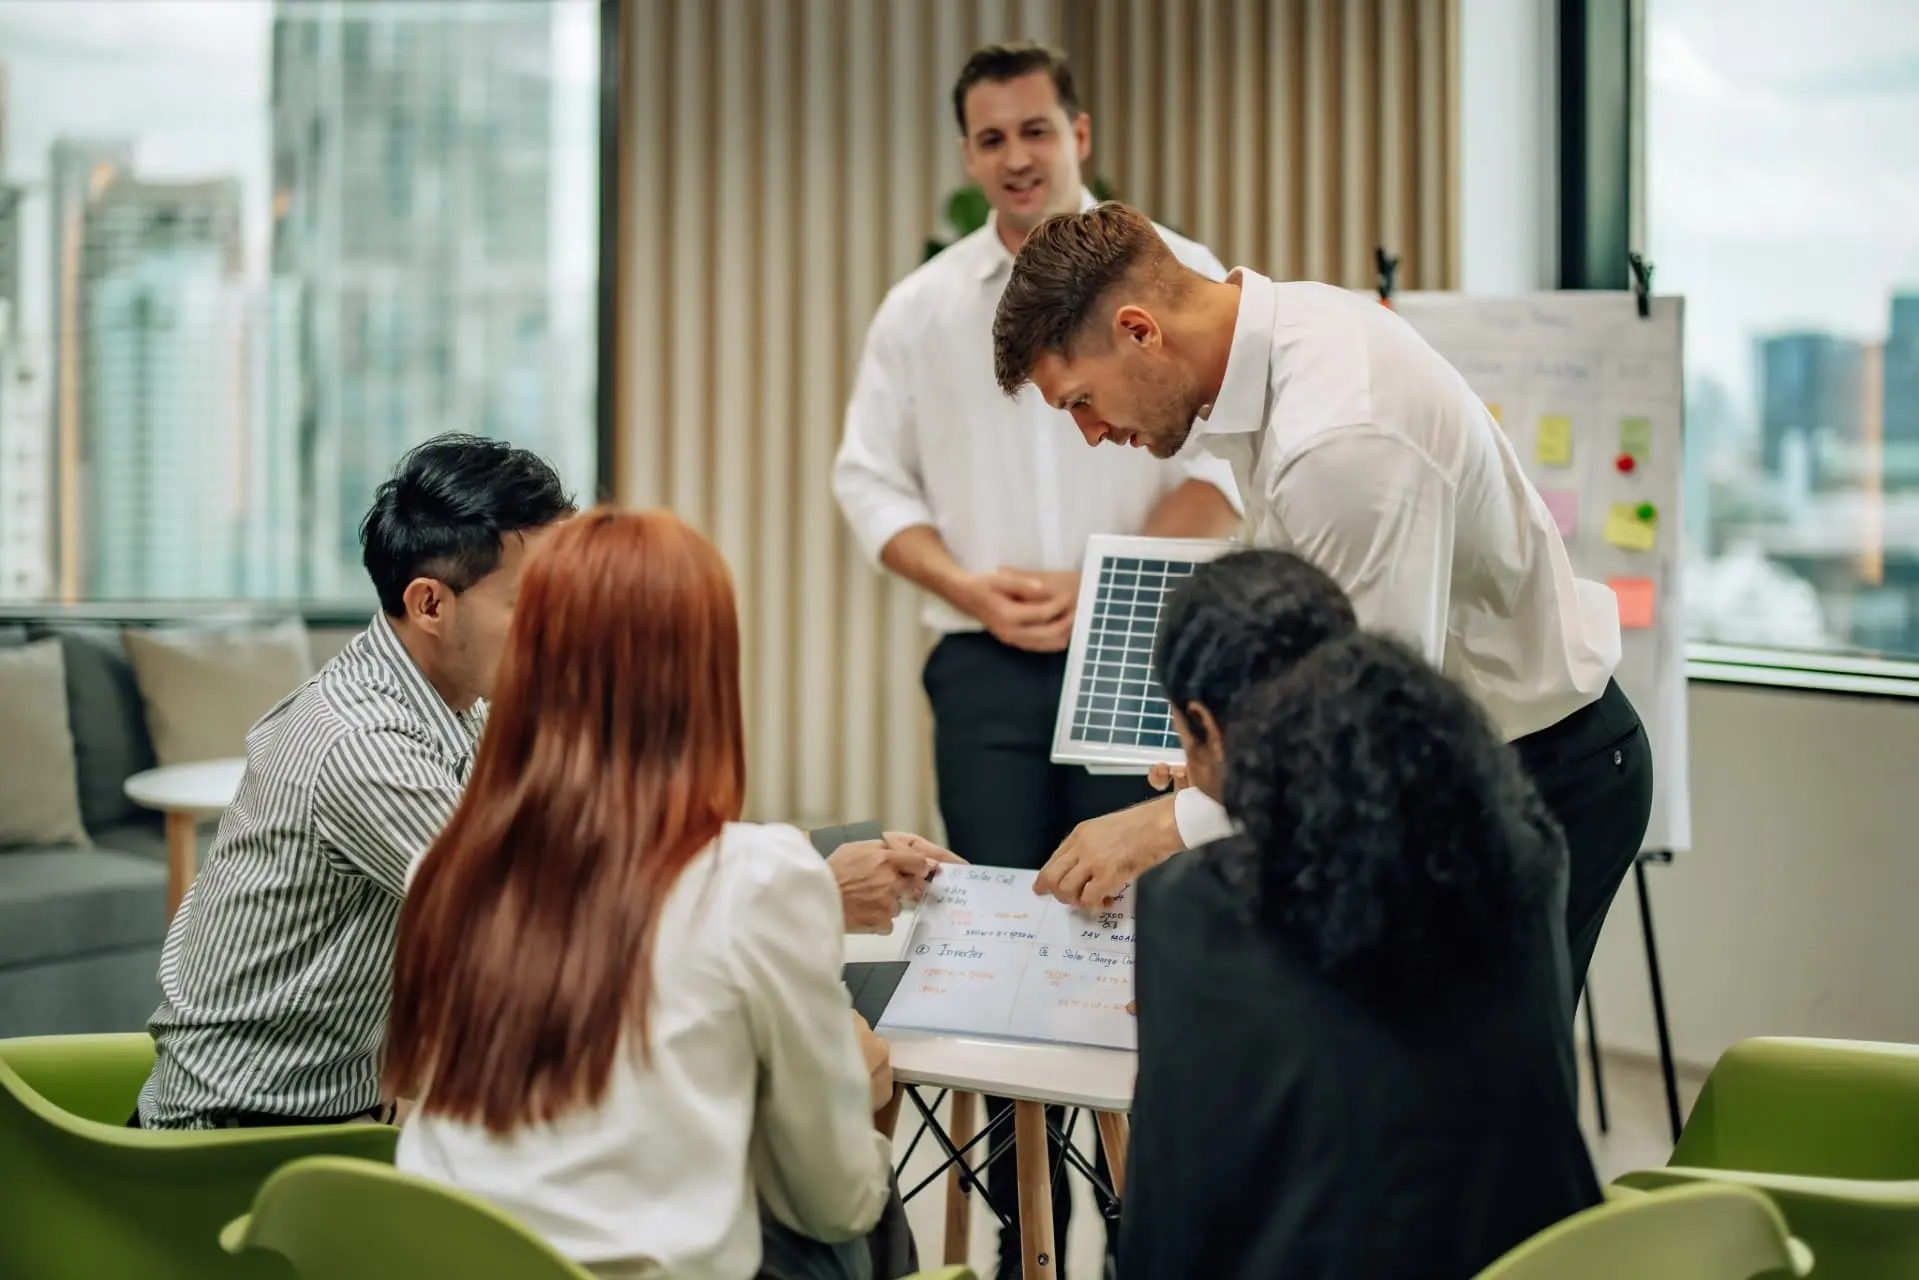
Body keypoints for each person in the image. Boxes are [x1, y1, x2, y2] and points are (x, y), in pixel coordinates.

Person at [134, 435, 942, 1131]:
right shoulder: (363, 744)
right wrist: (808, 892)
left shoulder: (465, 707)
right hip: (238, 1136)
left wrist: (813, 850)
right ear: (429, 604)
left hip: (343, 1111)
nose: (558, 631)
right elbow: (550, 920)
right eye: (533, 604)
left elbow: (605, 848)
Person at [991, 201, 1654, 998]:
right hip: (1434, 764)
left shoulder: (1343, 437)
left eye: (1079, 402)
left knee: (1461, 1097)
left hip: (1532, 769)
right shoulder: (1266, 348)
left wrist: (1164, 827)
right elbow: (1319, 641)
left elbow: (1365, 733)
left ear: (1139, 331)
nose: (1091, 434)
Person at [832, 44, 1239, 1276]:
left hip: (1141, 652)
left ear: (1079, 132)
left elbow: (1224, 464)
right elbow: (864, 480)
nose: (1015, 157)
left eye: (1034, 132)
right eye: (989, 139)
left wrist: (1108, 571)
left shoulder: (1172, 276)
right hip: (983, 663)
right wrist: (966, 584)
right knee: (1003, 927)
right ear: (968, 156)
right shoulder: (920, 308)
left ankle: (1147, 1222)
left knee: (1139, 927)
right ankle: (1023, 1235)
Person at [387, 509, 908, 1280]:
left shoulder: (446, 865)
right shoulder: (757, 878)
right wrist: (861, 1104)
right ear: (703, 674)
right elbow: (830, 1202)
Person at [1126, 604, 1600, 1277]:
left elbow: (1171, 1190)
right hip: (1541, 1260)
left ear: (1209, 727)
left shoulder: (1197, 906)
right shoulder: (1528, 860)